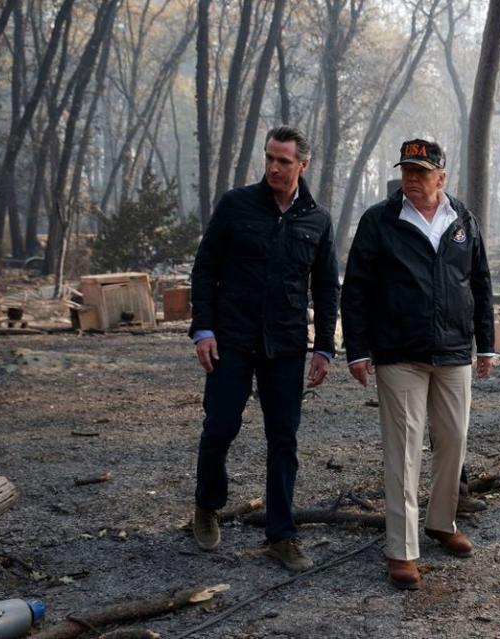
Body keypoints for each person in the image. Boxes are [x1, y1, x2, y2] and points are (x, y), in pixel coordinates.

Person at [341, 138, 495, 590]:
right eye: (407, 170)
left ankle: (442, 523)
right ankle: (401, 550)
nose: (411, 178)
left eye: (421, 172)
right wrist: (359, 350)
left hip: (452, 353)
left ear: (441, 177)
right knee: (403, 452)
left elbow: (480, 283)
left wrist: (485, 344)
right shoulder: (380, 221)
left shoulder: (462, 220)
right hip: (398, 354)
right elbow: (356, 290)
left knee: (453, 441)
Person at [188, 126, 340, 571]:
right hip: (231, 340)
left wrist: (325, 348)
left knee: (284, 439)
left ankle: (282, 534)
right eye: (270, 158)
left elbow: (327, 288)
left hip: (287, 345)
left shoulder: (317, 219)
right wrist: (203, 330)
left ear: (303, 166)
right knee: (219, 426)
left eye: (284, 161)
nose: (274, 167)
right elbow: (205, 268)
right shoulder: (236, 205)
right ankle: (206, 503)